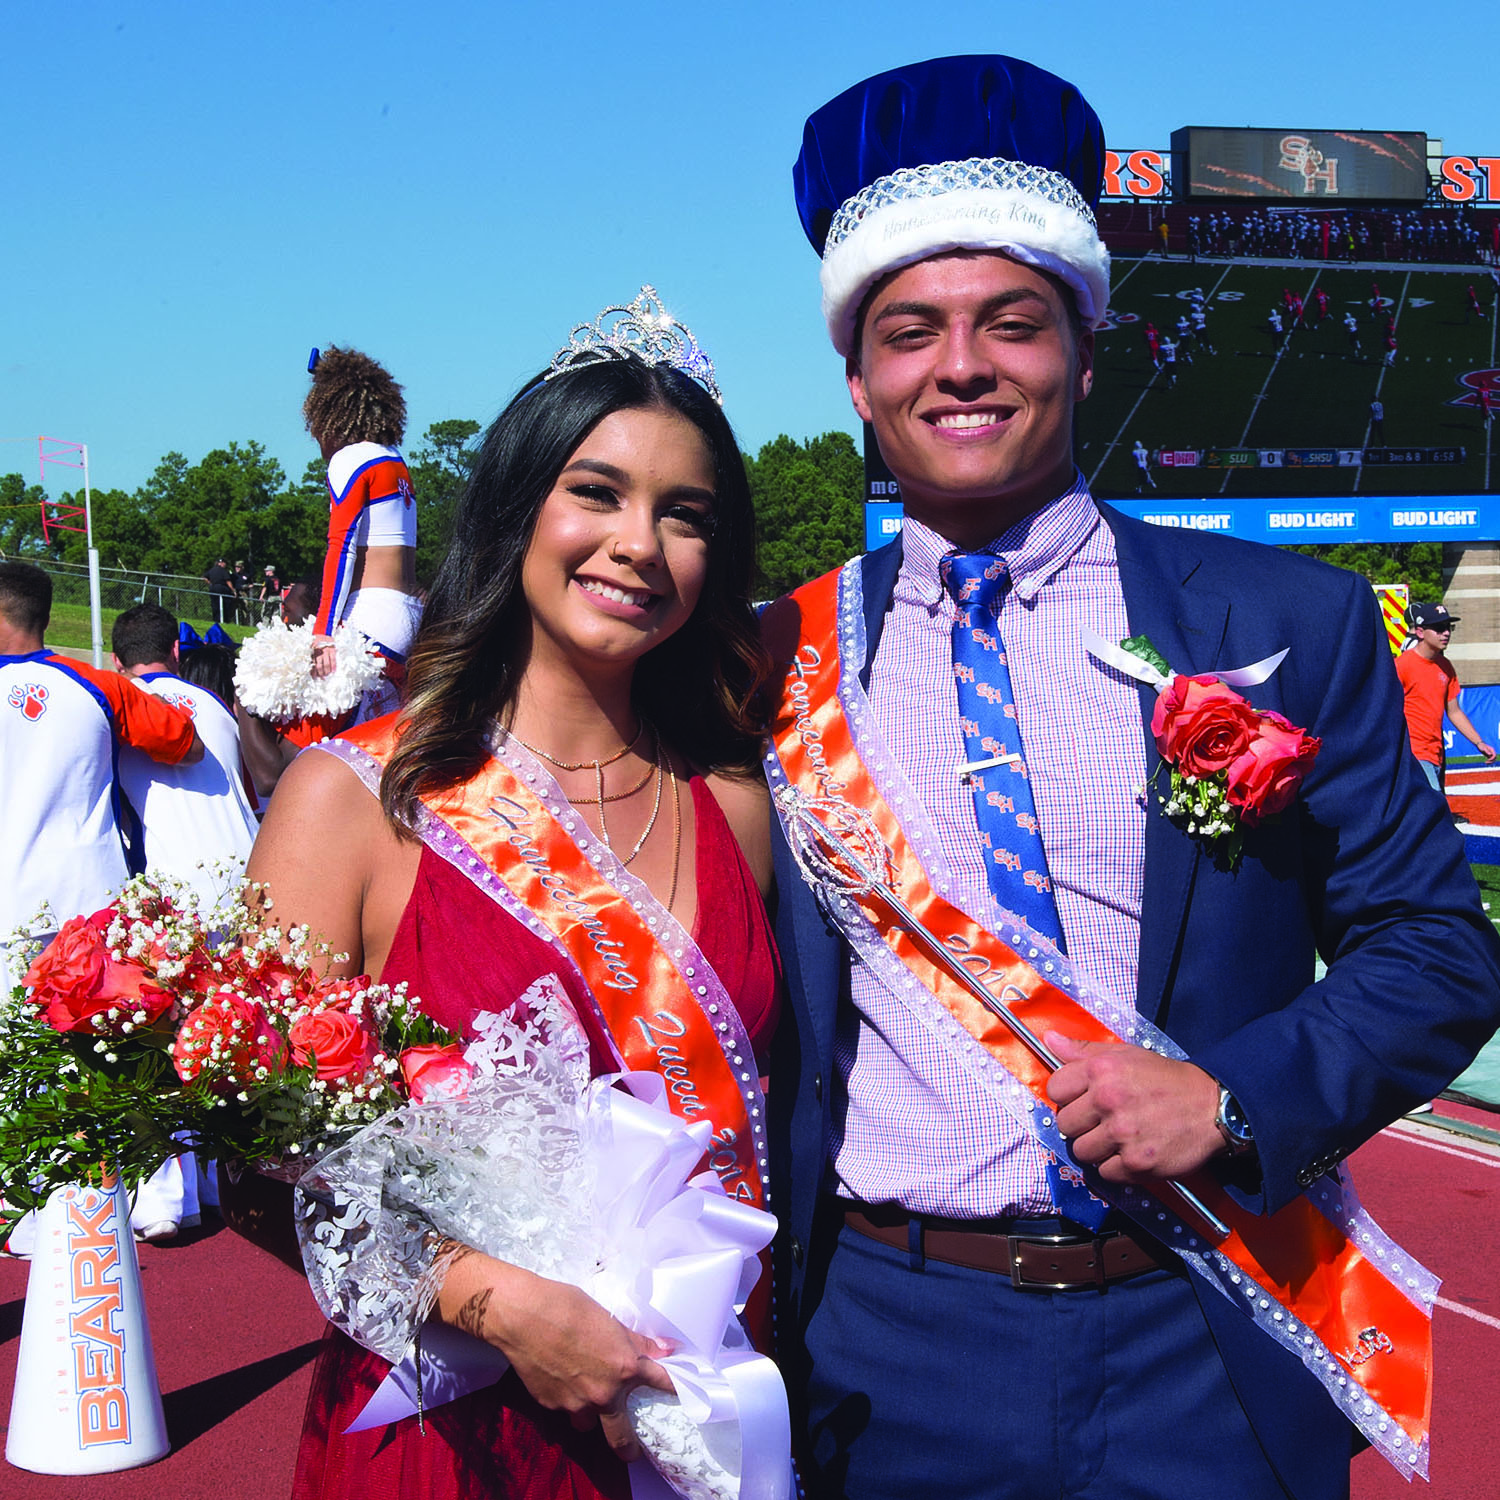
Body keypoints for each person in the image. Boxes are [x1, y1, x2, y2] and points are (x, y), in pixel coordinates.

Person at [768, 54, 1500, 1500]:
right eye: (910, 332)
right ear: (857, 375)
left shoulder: (1284, 624)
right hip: (889, 1351)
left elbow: (1436, 949)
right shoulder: (765, 665)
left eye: (1011, 322)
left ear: (1087, 351)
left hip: (1210, 1330)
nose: (960, 366)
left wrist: (1230, 1097)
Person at [248, 290, 780, 1499]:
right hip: (455, 1430)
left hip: (699, 1404)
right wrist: (495, 1303)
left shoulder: (732, 802)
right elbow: (254, 1163)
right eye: (597, 492)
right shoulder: (356, 800)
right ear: (516, 505)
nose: (639, 543)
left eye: (685, 514)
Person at [0, 562, 202, 990]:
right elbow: (188, 746)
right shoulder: (102, 685)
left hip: (12, 910)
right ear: (45, 618)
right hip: (91, 899)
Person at [111, 603, 259, 917]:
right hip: (251, 872)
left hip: (174, 886)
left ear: (116, 660)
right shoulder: (215, 702)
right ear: (176, 650)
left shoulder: (118, 709)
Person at [304, 345, 423, 719]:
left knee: (343, 744)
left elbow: (341, 547)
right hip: (408, 618)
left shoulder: (351, 459)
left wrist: (323, 633)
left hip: (371, 618)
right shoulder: (394, 459)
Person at [1395, 601, 1496, 791]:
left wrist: (1479, 742)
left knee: (1433, 803)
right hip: (1413, 752)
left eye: (1448, 627)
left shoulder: (1445, 666)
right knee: (1433, 803)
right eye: (1439, 628)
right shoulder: (1403, 665)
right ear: (1420, 632)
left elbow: (1454, 711)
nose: (1446, 633)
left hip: (1436, 752)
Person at [202, 556, 236, 626]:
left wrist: (210, 583)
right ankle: (225, 619)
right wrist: (233, 590)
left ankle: (216, 619)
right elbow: (228, 581)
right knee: (226, 604)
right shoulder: (223, 571)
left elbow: (204, 577)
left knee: (215, 604)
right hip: (222, 588)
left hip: (213, 588)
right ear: (222, 563)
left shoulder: (212, 570)